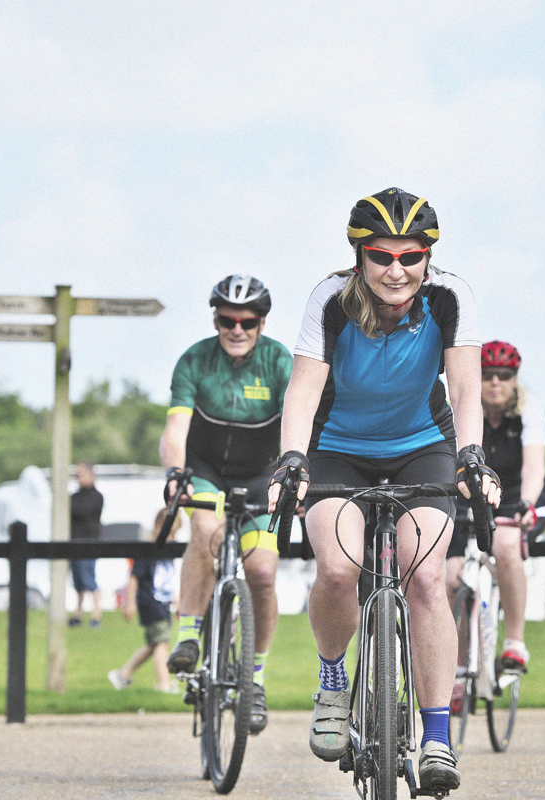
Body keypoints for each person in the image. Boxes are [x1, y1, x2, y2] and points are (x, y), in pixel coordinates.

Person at [268, 187, 500, 792]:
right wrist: (291, 460)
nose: (396, 270)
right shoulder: (331, 299)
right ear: (359, 256)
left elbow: (467, 390)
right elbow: (302, 392)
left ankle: (438, 738)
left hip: (423, 445)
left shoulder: (450, 297)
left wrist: (473, 457)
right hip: (338, 448)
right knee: (339, 570)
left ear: (427, 257)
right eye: (381, 256)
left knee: (426, 577)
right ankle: (332, 680)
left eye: (410, 256)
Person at [160, 274, 292, 735]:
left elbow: (301, 424)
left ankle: (253, 678)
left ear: (261, 323)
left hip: (261, 475)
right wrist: (175, 474)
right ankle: (190, 636)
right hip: (206, 469)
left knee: (261, 573)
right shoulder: (195, 360)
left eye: (248, 321)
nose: (237, 330)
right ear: (216, 319)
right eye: (226, 320)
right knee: (205, 532)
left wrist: (298, 473)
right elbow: (176, 429)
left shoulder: (279, 362)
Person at [445, 340, 545, 703]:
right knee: (450, 578)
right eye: (487, 375)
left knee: (506, 548)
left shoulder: (528, 411)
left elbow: (534, 466)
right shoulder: (462, 407)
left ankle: (515, 642)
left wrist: (527, 503)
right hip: (470, 498)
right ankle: (459, 671)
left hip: (519, 496)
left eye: (504, 376)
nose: (494, 383)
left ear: (515, 380)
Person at [109, 508, 180, 693]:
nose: (172, 538)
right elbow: (134, 578)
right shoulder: (147, 550)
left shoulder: (168, 552)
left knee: (153, 644)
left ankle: (123, 674)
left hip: (162, 602)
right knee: (161, 643)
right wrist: (130, 603)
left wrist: (177, 601)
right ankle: (164, 684)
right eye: (170, 533)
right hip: (149, 601)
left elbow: (167, 579)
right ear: (158, 527)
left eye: (175, 534)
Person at [69, 462, 104, 628]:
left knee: (89, 580)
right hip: (74, 543)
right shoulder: (75, 496)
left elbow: (80, 511)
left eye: (80, 474)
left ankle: (96, 613)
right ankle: (79, 612)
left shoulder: (96, 497)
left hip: (89, 544)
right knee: (78, 582)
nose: (78, 478)